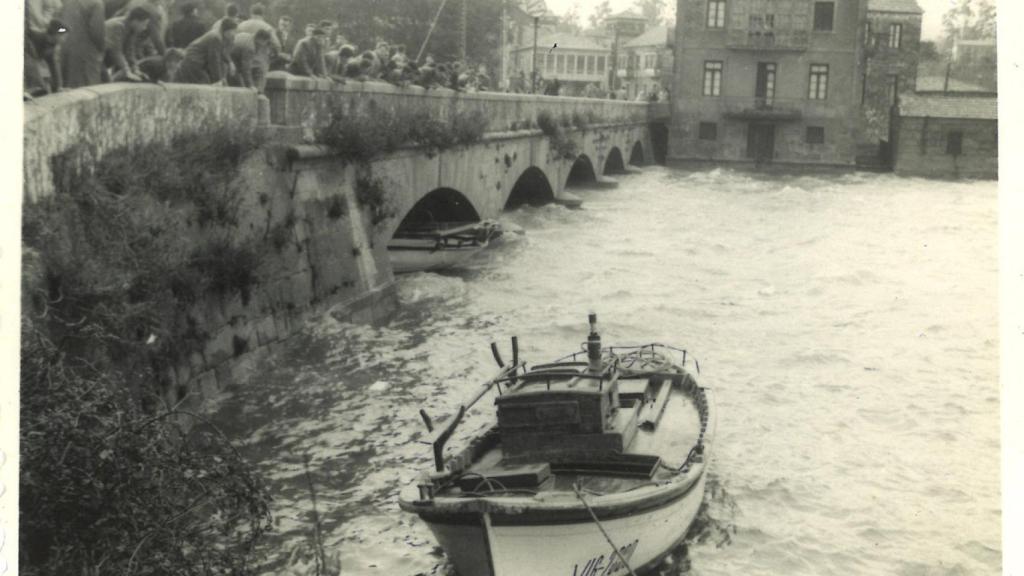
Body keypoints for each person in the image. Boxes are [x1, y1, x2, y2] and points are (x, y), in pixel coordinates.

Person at [174, 17, 236, 84]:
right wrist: (218, 80)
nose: (234, 34)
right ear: (227, 31)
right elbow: (214, 60)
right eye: (233, 31)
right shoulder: (216, 38)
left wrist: (230, 62)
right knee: (204, 85)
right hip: (193, 62)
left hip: (194, 61)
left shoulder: (219, 36)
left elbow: (222, 52)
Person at [59, 0, 105, 88]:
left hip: (66, 49)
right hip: (86, 54)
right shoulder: (96, 3)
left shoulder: (67, 2)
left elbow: (60, 23)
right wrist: (102, 48)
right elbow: (97, 31)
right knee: (89, 89)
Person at [103, 6, 151, 81]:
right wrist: (127, 72)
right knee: (103, 82)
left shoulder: (131, 29)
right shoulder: (118, 26)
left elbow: (130, 51)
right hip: (92, 57)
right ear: (135, 21)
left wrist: (136, 70)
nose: (145, 28)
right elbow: (116, 51)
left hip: (103, 58)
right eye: (144, 24)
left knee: (106, 81)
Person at [25, 18, 67, 97]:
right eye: (63, 36)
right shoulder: (37, 38)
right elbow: (31, 63)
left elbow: (53, 66)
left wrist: (59, 86)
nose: (64, 39)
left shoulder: (52, 45)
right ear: (56, 34)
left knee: (45, 87)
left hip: (31, 62)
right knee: (40, 88)